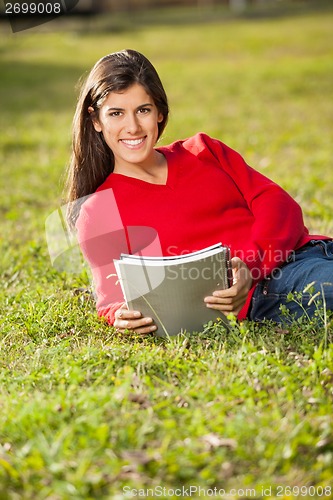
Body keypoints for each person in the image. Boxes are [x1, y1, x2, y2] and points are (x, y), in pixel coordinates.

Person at [65, 49, 333, 334]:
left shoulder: (204, 150)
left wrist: (248, 264)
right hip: (268, 290)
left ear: (160, 113)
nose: (132, 127)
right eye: (116, 113)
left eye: (143, 110)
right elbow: (111, 296)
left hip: (307, 252)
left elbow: (278, 203)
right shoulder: (98, 211)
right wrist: (118, 314)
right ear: (95, 120)